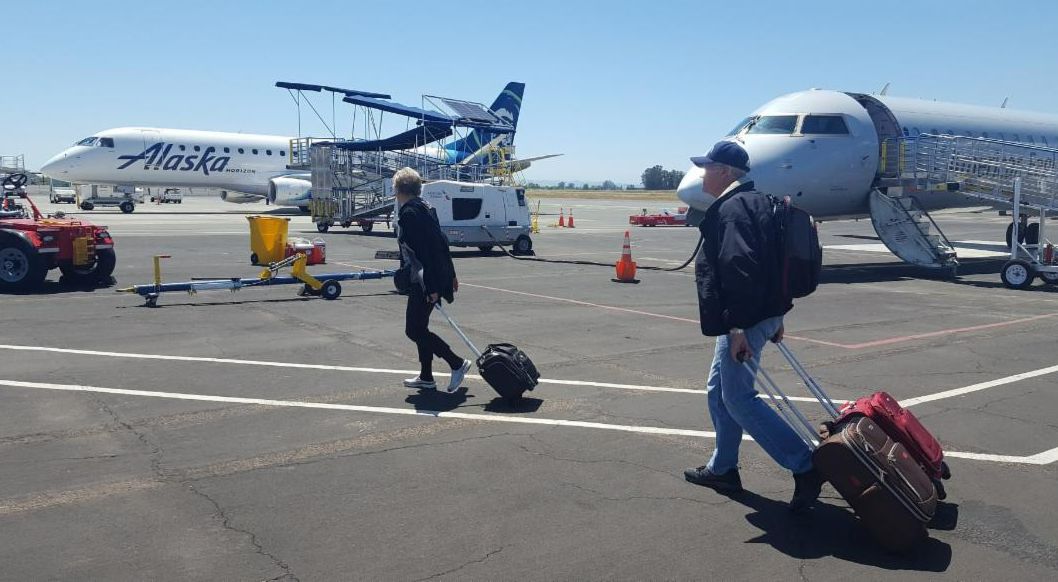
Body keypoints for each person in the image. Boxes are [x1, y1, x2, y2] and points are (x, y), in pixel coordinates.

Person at [681, 141, 823, 513]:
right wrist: (775, 316)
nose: (703, 173)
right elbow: (775, 266)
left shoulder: (732, 210)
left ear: (726, 173)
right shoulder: (760, 202)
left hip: (746, 318)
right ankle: (723, 467)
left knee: (738, 398)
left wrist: (740, 327)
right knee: (718, 390)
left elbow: (739, 268)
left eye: (709, 167)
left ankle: (805, 464)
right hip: (761, 313)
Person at [394, 167, 472, 393]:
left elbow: (423, 253)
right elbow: (441, 243)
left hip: (425, 280)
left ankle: (456, 363)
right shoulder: (425, 207)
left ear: (399, 190)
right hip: (434, 276)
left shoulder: (409, 214)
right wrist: (452, 273)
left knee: (414, 330)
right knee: (421, 327)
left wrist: (431, 287)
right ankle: (427, 376)